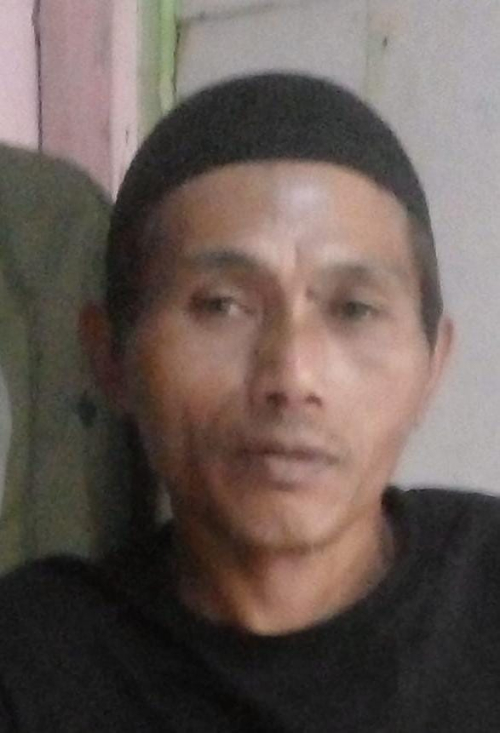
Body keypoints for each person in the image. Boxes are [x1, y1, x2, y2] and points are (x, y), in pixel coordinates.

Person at [0, 71, 498, 732]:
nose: (291, 375)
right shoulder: (34, 663)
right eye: (222, 305)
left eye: (353, 309)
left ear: (432, 367)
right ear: (110, 357)